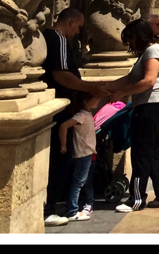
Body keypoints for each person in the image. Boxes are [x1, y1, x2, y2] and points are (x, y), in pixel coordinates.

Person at [41, 8, 110, 225]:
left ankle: (52, 203)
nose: (78, 32)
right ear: (71, 22)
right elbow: (61, 74)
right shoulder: (59, 39)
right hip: (61, 109)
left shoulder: (51, 38)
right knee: (59, 161)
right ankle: (49, 208)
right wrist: (89, 87)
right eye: (79, 27)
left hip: (58, 107)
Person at [108, 18, 159, 211]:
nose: (129, 44)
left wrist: (122, 93)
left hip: (153, 105)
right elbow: (130, 78)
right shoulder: (146, 53)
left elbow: (148, 81)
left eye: (130, 39)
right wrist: (104, 87)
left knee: (141, 152)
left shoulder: (152, 51)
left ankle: (136, 199)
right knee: (152, 151)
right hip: (154, 105)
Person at [52, 91, 103, 223]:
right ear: (86, 101)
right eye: (95, 98)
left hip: (88, 152)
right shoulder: (81, 115)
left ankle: (77, 206)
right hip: (83, 153)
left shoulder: (86, 114)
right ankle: (72, 211)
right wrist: (63, 145)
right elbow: (63, 126)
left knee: (82, 181)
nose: (97, 101)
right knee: (78, 182)